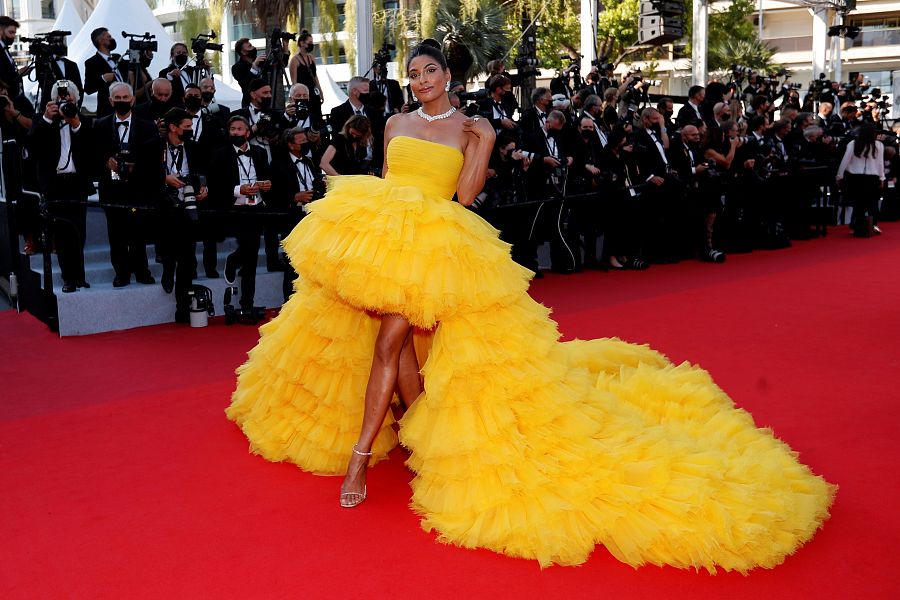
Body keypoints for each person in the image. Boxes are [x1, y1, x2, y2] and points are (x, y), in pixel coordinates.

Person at [225, 43, 835, 572]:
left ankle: (360, 463)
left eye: (430, 71)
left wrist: (484, 145)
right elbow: (388, 179)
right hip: (385, 236)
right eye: (414, 73)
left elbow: (464, 197)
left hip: (438, 244)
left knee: (392, 339)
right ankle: (412, 435)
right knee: (400, 340)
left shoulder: (472, 129)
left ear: (449, 76)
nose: (421, 81)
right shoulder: (395, 123)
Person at [141, 107, 209, 320]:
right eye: (186, 127)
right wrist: (164, 179)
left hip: (188, 207)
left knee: (188, 259)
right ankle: (168, 268)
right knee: (170, 250)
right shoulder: (152, 147)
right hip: (164, 208)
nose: (190, 130)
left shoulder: (195, 147)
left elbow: (204, 171)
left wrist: (204, 188)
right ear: (173, 127)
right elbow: (141, 178)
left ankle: (182, 307)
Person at [28, 81, 94, 293]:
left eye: (70, 98)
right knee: (62, 234)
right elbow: (33, 148)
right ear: (54, 100)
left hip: (78, 184)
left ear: (76, 99)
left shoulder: (82, 120)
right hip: (55, 186)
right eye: (62, 97)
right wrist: (48, 118)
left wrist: (74, 122)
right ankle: (68, 279)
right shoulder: (42, 120)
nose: (66, 101)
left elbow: (91, 148)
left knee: (79, 233)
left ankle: (80, 276)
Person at [92, 82, 159, 287]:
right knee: (116, 234)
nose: (122, 101)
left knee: (139, 233)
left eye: (125, 98)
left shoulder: (148, 126)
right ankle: (121, 273)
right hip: (111, 189)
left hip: (138, 189)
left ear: (133, 100)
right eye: (117, 98)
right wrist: (105, 161)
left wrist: (135, 167)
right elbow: (90, 155)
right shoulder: (100, 125)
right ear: (110, 101)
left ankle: (142, 271)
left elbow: (154, 158)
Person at [209, 115, 272, 315]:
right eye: (232, 129)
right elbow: (215, 184)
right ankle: (236, 262)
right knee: (250, 248)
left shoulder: (260, 153)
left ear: (247, 132)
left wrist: (267, 184)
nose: (235, 132)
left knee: (252, 254)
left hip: (257, 207)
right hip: (235, 208)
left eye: (239, 129)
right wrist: (239, 189)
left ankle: (247, 302)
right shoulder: (220, 154)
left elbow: (267, 177)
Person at [836, 123, 885, 235]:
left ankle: (857, 225)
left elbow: (845, 161)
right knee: (872, 202)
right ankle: (873, 224)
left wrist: (839, 175)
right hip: (872, 177)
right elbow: (880, 163)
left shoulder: (853, 144)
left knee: (858, 203)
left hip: (855, 177)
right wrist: (882, 177)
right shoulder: (879, 145)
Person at [83, 27, 123, 119]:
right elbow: (88, 89)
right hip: (108, 111)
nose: (111, 39)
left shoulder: (118, 58)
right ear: (100, 40)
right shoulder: (92, 62)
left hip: (127, 108)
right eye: (109, 37)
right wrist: (103, 79)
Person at [288, 30, 324, 124]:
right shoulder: (294, 60)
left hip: (313, 92)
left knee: (317, 116)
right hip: (303, 94)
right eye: (310, 42)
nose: (312, 44)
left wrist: (320, 91)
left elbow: (315, 76)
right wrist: (296, 96)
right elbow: (294, 81)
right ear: (302, 43)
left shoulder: (311, 58)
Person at [231, 38, 266, 107]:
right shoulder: (237, 67)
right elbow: (246, 83)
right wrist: (254, 66)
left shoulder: (262, 62)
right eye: (249, 46)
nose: (253, 47)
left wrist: (285, 47)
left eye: (251, 45)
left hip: (266, 102)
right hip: (250, 104)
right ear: (243, 52)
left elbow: (280, 65)